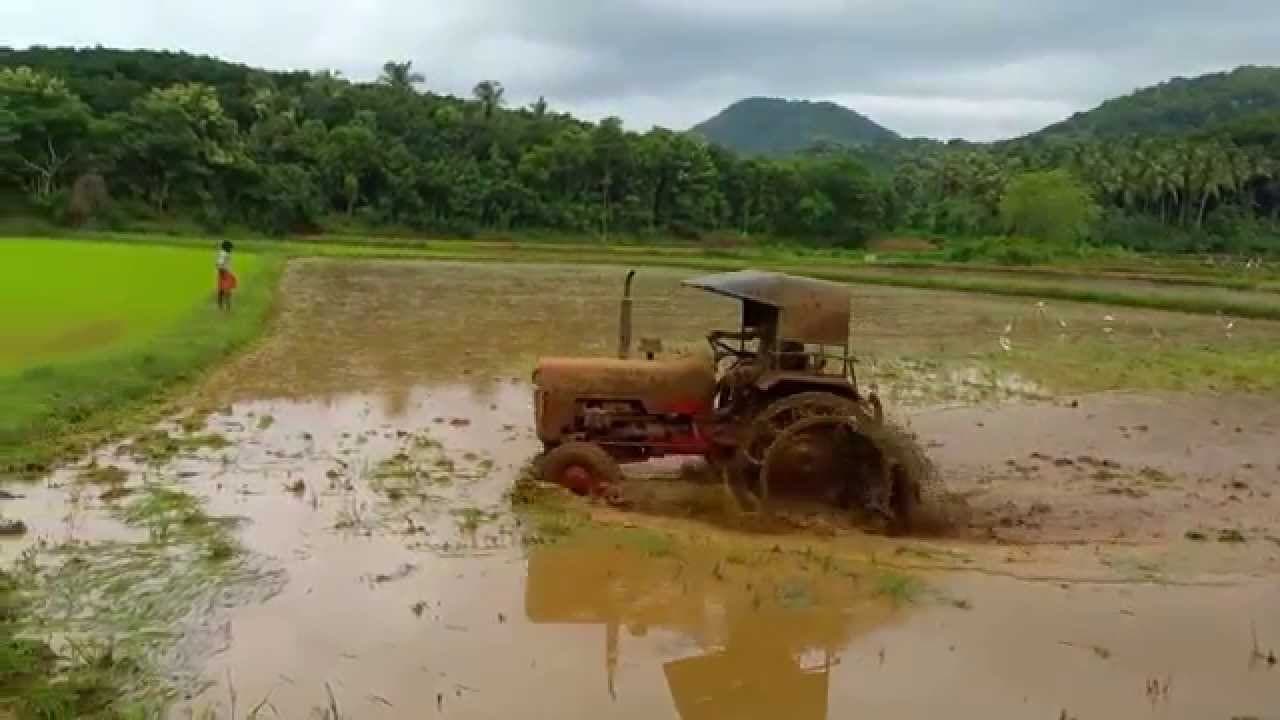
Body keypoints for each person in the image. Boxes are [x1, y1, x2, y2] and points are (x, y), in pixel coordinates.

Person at [216, 241, 238, 311]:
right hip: (225, 272)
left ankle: (221, 306)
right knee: (226, 290)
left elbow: (218, 264)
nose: (231, 249)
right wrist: (222, 272)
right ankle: (227, 306)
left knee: (222, 289)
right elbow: (219, 264)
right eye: (230, 248)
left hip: (224, 272)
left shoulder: (223, 253)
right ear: (227, 248)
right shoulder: (224, 254)